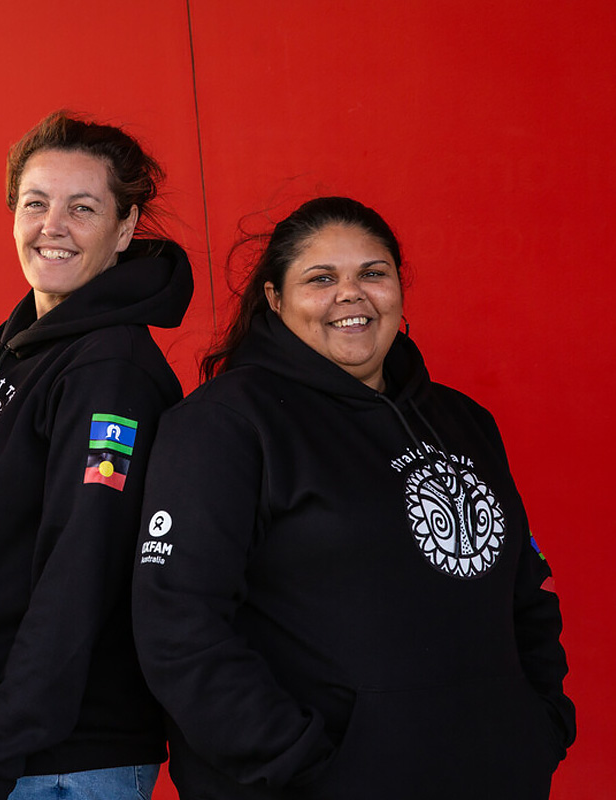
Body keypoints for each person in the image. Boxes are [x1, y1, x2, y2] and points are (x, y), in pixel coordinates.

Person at [132, 197, 574, 798]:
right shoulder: (225, 425)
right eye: (321, 279)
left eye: (373, 273)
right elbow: (178, 628)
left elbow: (527, 590)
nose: (352, 295)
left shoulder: (464, 420)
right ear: (274, 299)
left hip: (497, 774)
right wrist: (303, 763)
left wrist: (538, 724)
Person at [0, 111, 190, 800]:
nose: (53, 225)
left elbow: (81, 570)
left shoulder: (111, 374)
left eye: (83, 207)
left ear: (126, 229)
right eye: (36, 203)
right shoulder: (14, 343)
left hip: (59, 763)